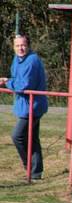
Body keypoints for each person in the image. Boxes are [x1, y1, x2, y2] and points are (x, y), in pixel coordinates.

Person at [0, 34, 48, 180]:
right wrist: (8, 80)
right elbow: (16, 78)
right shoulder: (17, 59)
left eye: (23, 45)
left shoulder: (32, 60)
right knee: (32, 139)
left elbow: (24, 85)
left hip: (33, 107)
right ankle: (36, 173)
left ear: (28, 46)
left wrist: (7, 82)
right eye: (17, 45)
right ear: (13, 47)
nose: (20, 48)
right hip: (26, 106)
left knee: (17, 136)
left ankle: (29, 167)